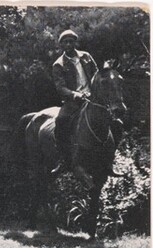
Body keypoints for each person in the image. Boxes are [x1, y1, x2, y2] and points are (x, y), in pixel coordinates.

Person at [51, 29, 98, 175]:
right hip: (74, 101)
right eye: (65, 42)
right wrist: (75, 94)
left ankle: (110, 156)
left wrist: (96, 89)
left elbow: (96, 73)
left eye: (71, 41)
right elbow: (60, 87)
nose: (69, 44)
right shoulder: (58, 64)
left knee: (114, 120)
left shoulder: (86, 56)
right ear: (61, 45)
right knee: (61, 121)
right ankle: (64, 159)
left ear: (75, 42)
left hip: (93, 97)